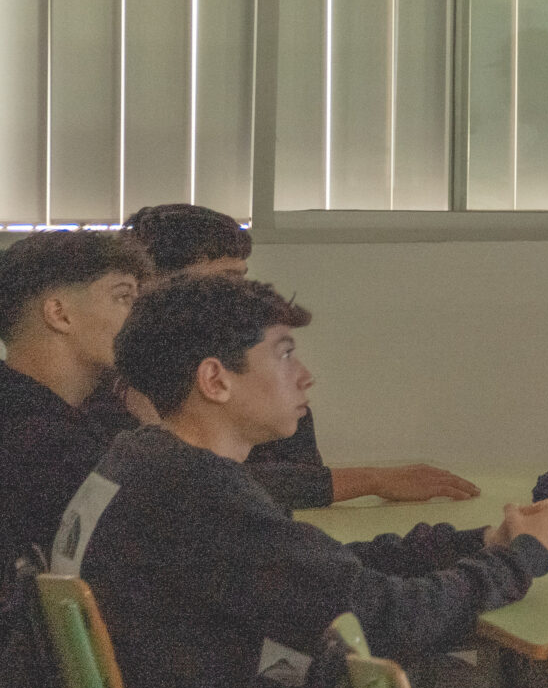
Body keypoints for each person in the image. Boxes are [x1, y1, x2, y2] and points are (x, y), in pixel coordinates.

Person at [49, 275, 548, 688]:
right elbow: (385, 622)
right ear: (215, 380)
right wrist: (523, 559)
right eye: (284, 354)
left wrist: (474, 544)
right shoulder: (198, 495)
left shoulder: (144, 460)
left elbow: (316, 568)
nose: (305, 377)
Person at [108, 203, 480, 509]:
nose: (240, 295)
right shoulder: (117, 390)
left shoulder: (259, 371)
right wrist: (370, 480)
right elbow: (199, 488)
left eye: (242, 278)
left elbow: (299, 477)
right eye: (224, 281)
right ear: (154, 289)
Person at [0, 229, 147, 568]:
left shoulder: (88, 423)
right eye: (123, 297)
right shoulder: (40, 444)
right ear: (60, 314)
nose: (141, 318)